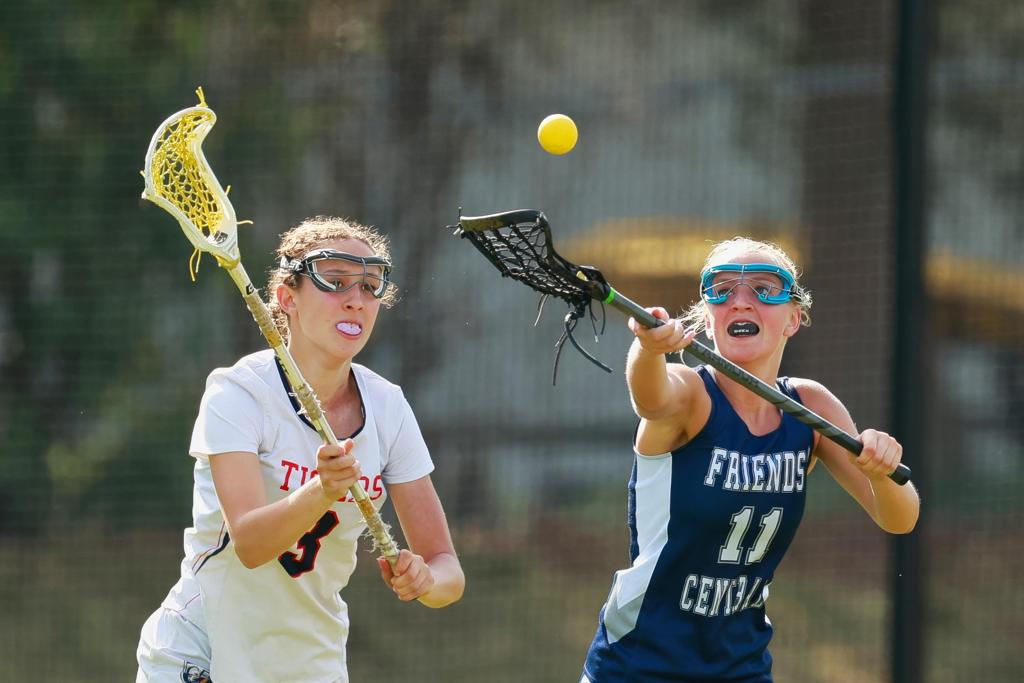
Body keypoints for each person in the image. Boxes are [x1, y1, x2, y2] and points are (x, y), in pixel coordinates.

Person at [136, 216, 465, 683]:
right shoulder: (237, 393)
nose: (356, 300)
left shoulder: (388, 407)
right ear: (287, 298)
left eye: (370, 286)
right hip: (203, 654)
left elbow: (447, 571)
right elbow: (250, 544)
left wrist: (426, 580)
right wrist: (321, 491)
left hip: (310, 664)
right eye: (335, 281)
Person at [581, 237, 919, 682]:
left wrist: (882, 471)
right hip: (637, 665)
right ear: (708, 318)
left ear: (793, 319)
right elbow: (650, 398)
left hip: (740, 666)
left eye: (763, 288)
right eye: (722, 290)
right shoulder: (690, 394)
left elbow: (899, 518)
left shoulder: (809, 407)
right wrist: (648, 349)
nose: (740, 302)